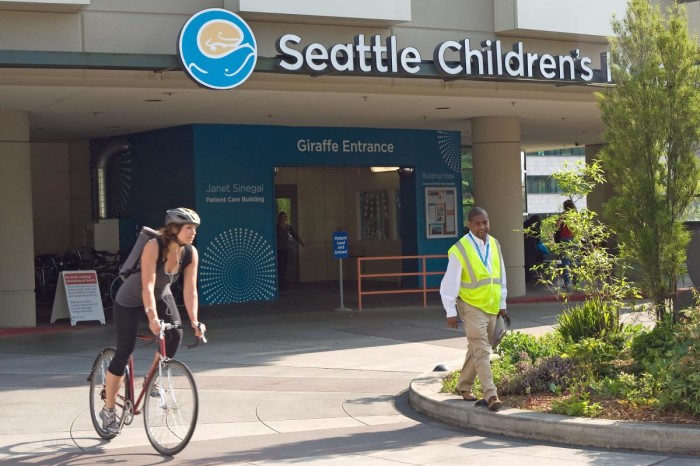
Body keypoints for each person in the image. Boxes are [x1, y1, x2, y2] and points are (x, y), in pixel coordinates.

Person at [100, 207, 205, 433]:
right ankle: (108, 410)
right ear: (174, 228)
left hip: (161, 294)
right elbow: (147, 284)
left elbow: (190, 291)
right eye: (188, 227)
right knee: (124, 352)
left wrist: (195, 321)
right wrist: (152, 316)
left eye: (194, 228)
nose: (193, 232)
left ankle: (153, 379)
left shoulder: (190, 253)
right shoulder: (154, 246)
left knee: (175, 334)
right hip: (130, 299)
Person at [440, 207, 508, 412]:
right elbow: (449, 283)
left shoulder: (495, 244)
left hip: (491, 305)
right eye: (477, 223)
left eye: (485, 222)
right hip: (470, 306)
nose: (482, 227)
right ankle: (491, 394)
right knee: (481, 350)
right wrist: (450, 311)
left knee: (477, 348)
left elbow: (501, 275)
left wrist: (502, 304)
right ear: (469, 225)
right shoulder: (460, 249)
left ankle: (463, 385)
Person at [276, 211, 305, 291]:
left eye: (284, 217)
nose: (282, 219)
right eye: (281, 217)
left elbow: (295, 235)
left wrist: (301, 242)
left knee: (284, 266)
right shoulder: (276, 227)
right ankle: (282, 284)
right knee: (280, 267)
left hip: (286, 249)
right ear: (279, 218)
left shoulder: (288, 227)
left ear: (286, 218)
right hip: (278, 249)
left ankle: (283, 282)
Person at [556, 199, 576, 290]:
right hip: (575, 239)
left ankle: (567, 283)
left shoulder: (564, 214)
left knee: (565, 262)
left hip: (565, 239)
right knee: (575, 261)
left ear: (565, 206)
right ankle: (576, 282)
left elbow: (557, 225)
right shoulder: (576, 215)